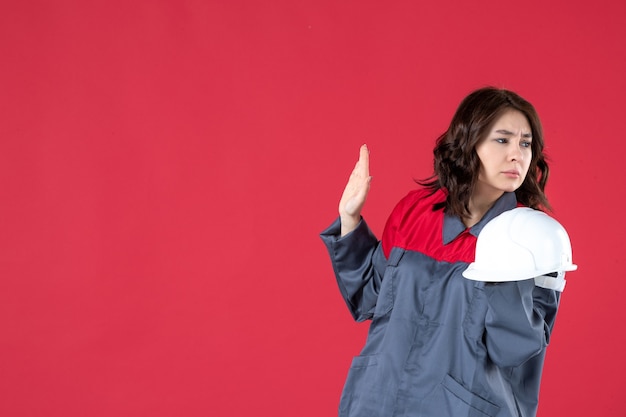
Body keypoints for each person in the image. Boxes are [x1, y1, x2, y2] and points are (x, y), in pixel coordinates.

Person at [320, 87, 566, 417]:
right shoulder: (415, 211)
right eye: (502, 139)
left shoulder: (533, 238)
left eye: (525, 143)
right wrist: (349, 219)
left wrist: (506, 266)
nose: (517, 155)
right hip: (378, 401)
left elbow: (515, 351)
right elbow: (370, 298)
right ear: (469, 141)